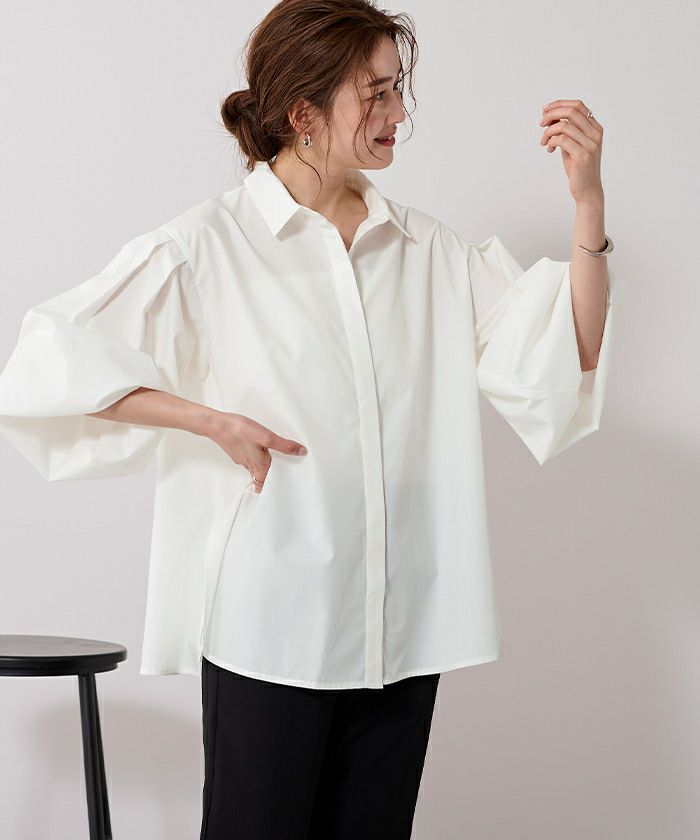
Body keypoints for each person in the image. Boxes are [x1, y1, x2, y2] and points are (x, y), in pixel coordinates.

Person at [0, 1, 624, 837]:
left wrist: (588, 203)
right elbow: (45, 363)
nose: (398, 113)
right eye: (376, 93)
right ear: (303, 112)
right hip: (271, 627)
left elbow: (565, 356)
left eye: (398, 89)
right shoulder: (206, 245)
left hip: (401, 631)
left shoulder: (427, 250)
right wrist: (204, 419)